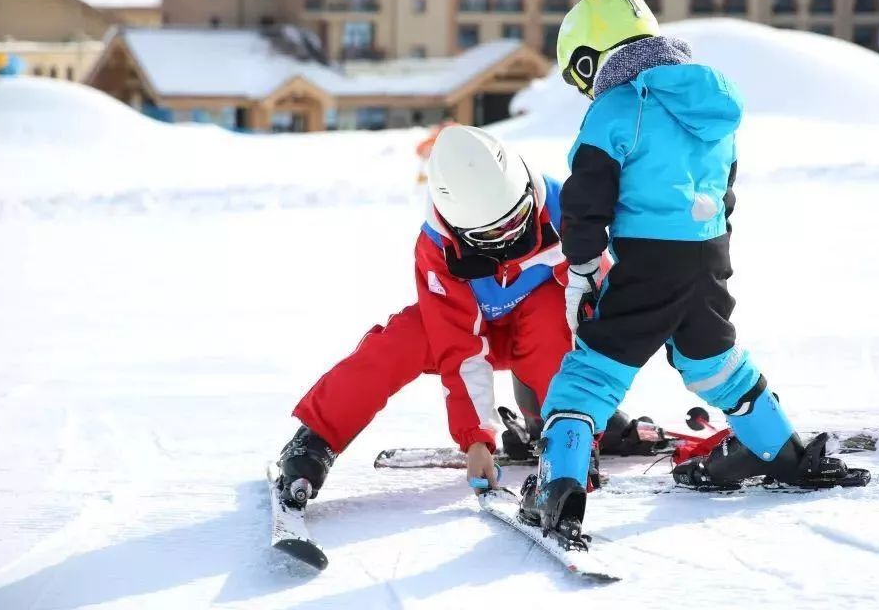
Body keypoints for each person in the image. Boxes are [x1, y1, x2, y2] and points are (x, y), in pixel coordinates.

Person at [519, 0, 858, 540]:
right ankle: (783, 451)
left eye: (578, 78)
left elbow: (585, 202)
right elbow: (725, 192)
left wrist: (581, 272)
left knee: (590, 374)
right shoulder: (712, 102)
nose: (586, 92)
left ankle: (558, 487)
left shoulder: (618, 106)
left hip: (648, 260)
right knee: (713, 361)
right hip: (708, 254)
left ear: (589, 59)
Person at [273, 125, 655, 509]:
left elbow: (596, 311)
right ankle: (315, 439)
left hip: (541, 332)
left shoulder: (566, 210)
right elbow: (459, 346)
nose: (508, 238)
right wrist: (476, 439)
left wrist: (588, 412)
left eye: (515, 220)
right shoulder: (436, 249)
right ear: (462, 230)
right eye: (492, 234)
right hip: (464, 329)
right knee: (401, 339)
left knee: (553, 311)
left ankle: (560, 425)